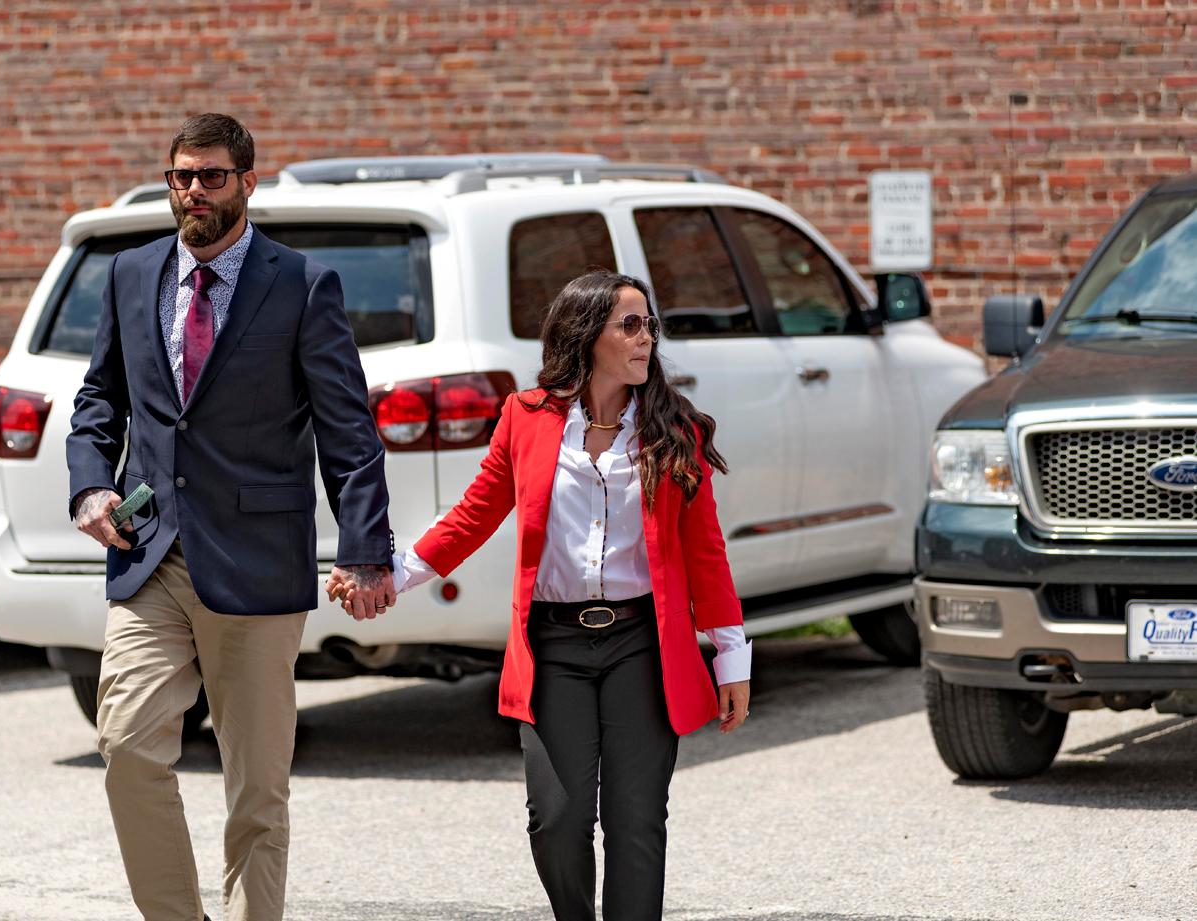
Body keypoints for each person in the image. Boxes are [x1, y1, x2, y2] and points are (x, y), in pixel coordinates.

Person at [328, 270, 751, 921]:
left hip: (643, 643)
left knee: (637, 823)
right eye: (630, 325)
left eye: (649, 326)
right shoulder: (527, 419)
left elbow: (706, 552)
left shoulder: (673, 431)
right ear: (588, 336)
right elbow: (472, 515)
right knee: (556, 818)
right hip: (553, 645)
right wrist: (391, 575)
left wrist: (731, 657)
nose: (647, 338)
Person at [67, 112, 396, 921]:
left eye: (212, 176)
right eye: (181, 176)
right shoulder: (131, 273)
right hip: (151, 556)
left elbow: (348, 431)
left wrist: (364, 551)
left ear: (248, 181)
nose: (194, 192)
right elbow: (99, 401)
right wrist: (89, 487)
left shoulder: (301, 284)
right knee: (128, 749)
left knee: (256, 789)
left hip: (256, 561)